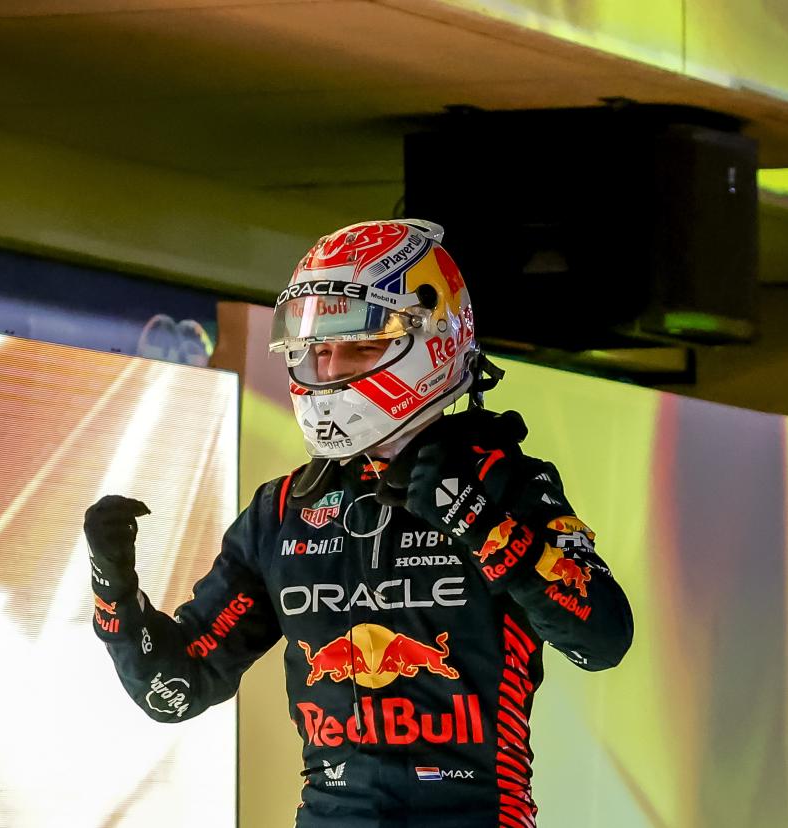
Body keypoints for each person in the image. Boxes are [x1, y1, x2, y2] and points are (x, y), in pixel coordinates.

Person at [86, 219, 634, 827]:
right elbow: (178, 689)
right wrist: (115, 594)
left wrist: (479, 522)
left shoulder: (507, 480)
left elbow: (602, 640)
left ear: (433, 342)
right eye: (318, 352)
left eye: (359, 346)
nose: (330, 370)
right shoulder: (281, 512)